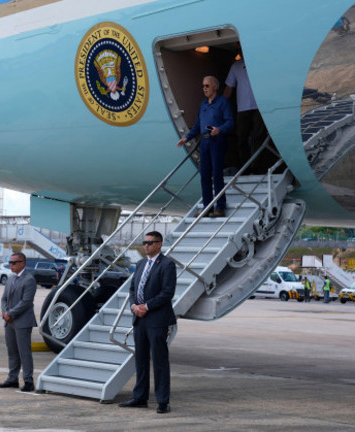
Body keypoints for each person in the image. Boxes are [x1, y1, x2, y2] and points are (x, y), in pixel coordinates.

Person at [119, 231, 176, 414]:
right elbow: (133, 288)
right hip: (139, 319)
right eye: (145, 242)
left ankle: (162, 401)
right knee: (141, 360)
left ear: (159, 244)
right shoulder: (141, 263)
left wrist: (147, 306)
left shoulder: (167, 265)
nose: (146, 245)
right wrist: (134, 306)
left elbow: (167, 292)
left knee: (160, 361)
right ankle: (140, 397)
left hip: (157, 319)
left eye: (150, 243)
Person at [177, 76, 233, 218]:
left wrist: (219, 129)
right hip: (205, 142)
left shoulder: (223, 103)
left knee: (217, 175)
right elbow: (197, 125)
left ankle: (220, 206)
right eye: (203, 86)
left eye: (207, 85)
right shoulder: (203, 105)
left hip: (217, 141)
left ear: (215, 87)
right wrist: (187, 137)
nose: (204, 88)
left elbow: (230, 122)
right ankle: (208, 207)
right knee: (204, 176)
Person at [223, 45, 272, 174]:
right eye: (239, 50)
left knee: (258, 137)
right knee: (241, 138)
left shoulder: (259, 64)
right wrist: (220, 104)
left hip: (258, 107)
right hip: (242, 108)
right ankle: (246, 166)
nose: (241, 52)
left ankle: (257, 166)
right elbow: (229, 87)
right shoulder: (236, 66)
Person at [0, 252, 37, 392]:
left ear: (22, 263)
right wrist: (5, 313)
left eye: (14, 263)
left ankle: (28, 380)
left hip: (22, 321)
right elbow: (3, 299)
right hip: (10, 321)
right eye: (10, 262)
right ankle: (12, 378)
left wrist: (10, 313)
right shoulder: (11, 279)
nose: (11, 265)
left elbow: (26, 302)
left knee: (24, 352)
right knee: (12, 351)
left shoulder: (29, 280)